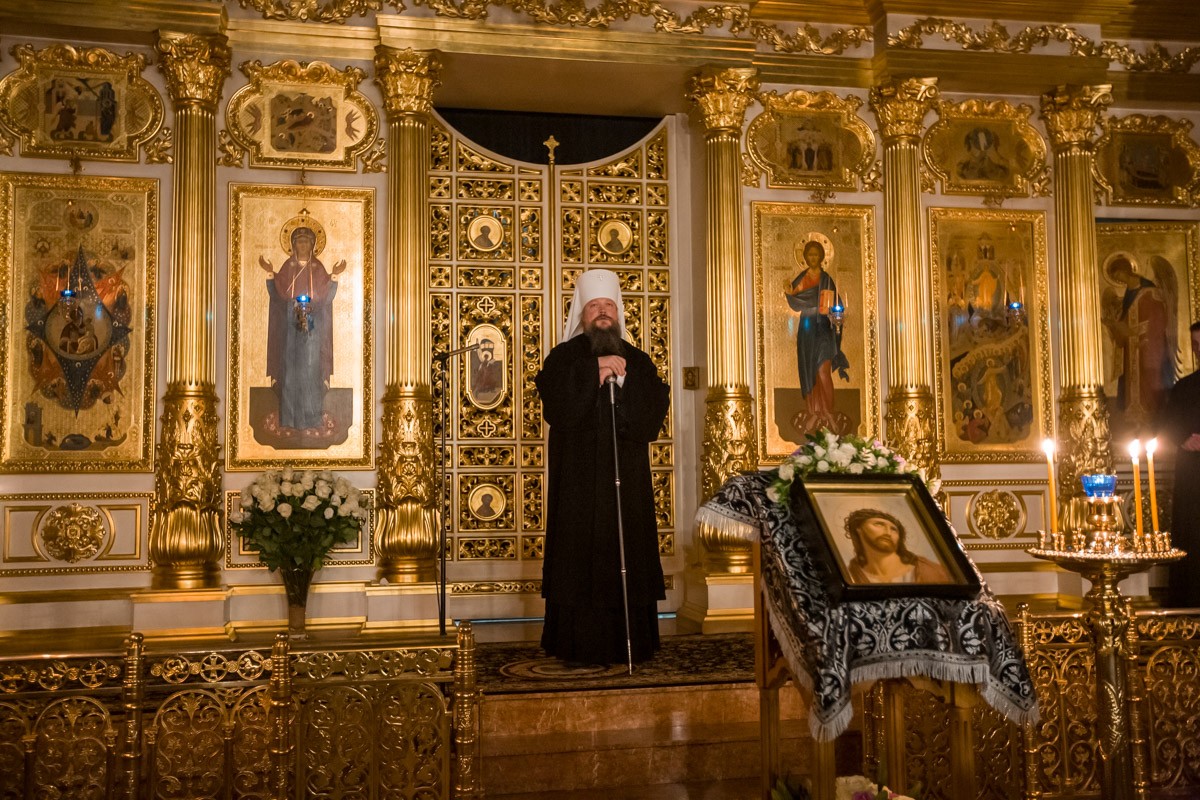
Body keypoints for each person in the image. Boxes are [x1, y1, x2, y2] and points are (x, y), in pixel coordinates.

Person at [535, 268, 670, 665]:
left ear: (618, 311)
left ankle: (633, 642)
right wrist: (594, 372)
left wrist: (622, 380)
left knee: (628, 546)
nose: (603, 312)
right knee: (578, 555)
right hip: (577, 482)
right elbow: (556, 406)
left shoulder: (638, 360)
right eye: (595, 306)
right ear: (583, 313)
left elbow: (651, 416)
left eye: (608, 305)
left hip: (627, 480)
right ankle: (577, 645)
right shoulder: (563, 358)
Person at [259, 224, 343, 430]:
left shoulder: (318, 268)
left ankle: (312, 419)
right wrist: (270, 273)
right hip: (290, 323)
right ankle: (289, 419)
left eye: (306, 242)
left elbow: (326, 297)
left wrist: (334, 276)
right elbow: (277, 294)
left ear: (312, 245)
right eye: (299, 242)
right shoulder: (288, 267)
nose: (303, 245)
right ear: (294, 245)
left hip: (312, 325)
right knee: (290, 371)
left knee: (311, 369)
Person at [784, 237, 849, 434]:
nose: (813, 258)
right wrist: (789, 292)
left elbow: (837, 305)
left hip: (824, 330)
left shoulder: (827, 280)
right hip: (807, 329)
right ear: (805, 257)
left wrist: (836, 315)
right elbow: (795, 301)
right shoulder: (802, 278)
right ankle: (813, 412)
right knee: (809, 370)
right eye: (810, 255)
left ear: (821, 257)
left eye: (816, 255)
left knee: (823, 371)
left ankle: (828, 412)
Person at [1156, 321, 1200, 608]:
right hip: (1192, 478)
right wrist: (1184, 440)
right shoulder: (1185, 388)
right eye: (1196, 346)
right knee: (1192, 537)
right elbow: (1168, 427)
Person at [1103, 254, 1174, 428]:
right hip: (1132, 348)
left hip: (1149, 348)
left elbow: (1158, 320)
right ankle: (1134, 422)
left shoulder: (1150, 291)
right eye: (1114, 277)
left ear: (1125, 270)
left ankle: (1152, 420)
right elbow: (1126, 318)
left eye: (1118, 274)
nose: (1118, 279)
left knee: (1149, 383)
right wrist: (1115, 325)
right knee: (1132, 385)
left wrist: (1137, 333)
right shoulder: (1129, 293)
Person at [843, 508, 952, 584]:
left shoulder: (929, 570)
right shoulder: (850, 573)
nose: (888, 533)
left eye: (894, 529)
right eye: (879, 524)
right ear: (859, 529)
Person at [471, 338, 503, 404]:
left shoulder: (490, 361)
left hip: (487, 374)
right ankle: (479, 391)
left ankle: (489, 389)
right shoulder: (483, 361)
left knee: (490, 380)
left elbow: (489, 366)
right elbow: (481, 367)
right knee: (482, 381)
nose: (486, 358)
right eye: (485, 357)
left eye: (486, 357)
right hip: (484, 374)